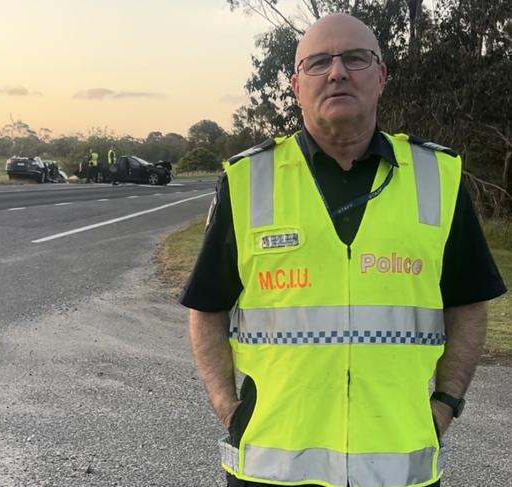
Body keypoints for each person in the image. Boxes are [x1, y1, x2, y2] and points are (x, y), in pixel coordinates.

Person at [180, 13, 506, 487]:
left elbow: (469, 303)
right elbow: (206, 307)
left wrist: (446, 404)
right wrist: (229, 410)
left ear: (381, 77)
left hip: (398, 466)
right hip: (271, 470)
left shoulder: (437, 176)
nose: (337, 72)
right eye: (317, 63)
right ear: (296, 85)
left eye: (355, 58)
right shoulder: (249, 180)